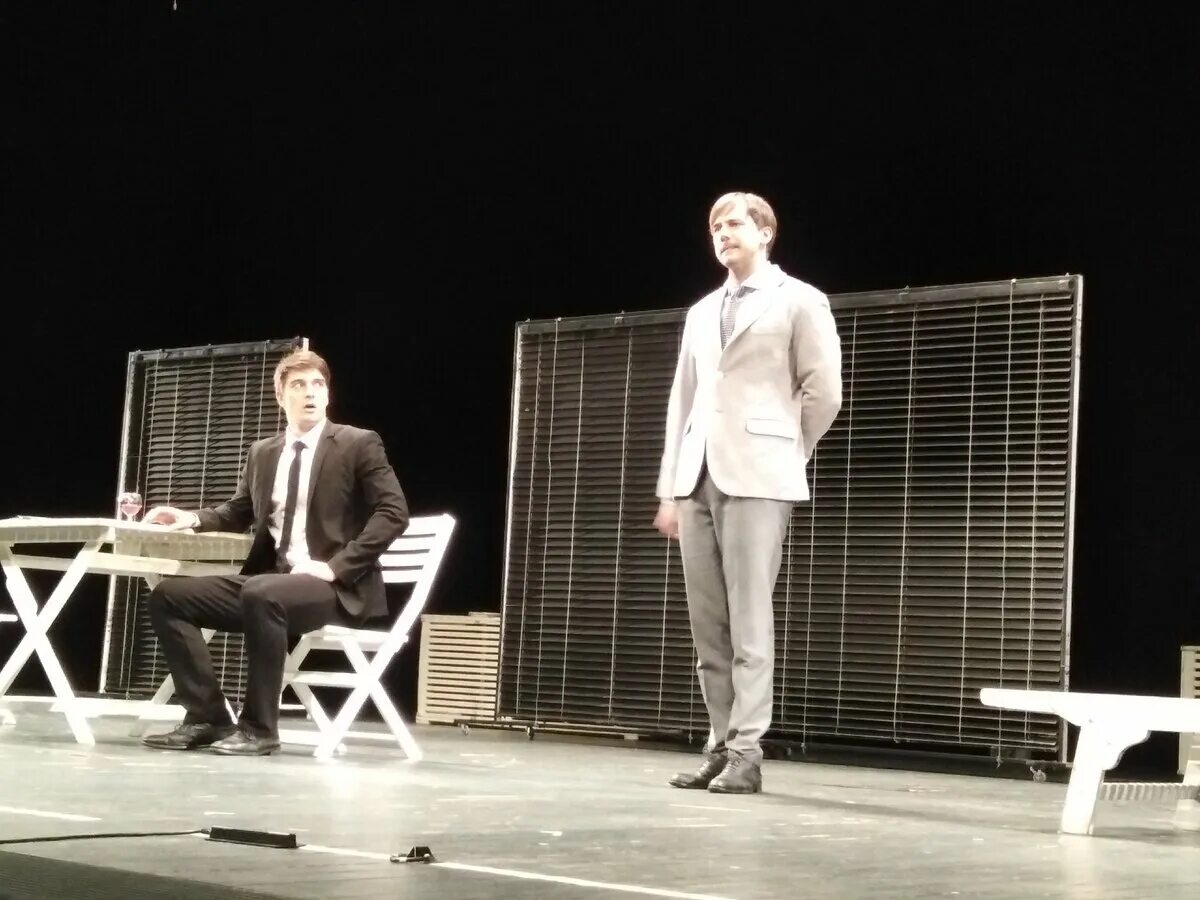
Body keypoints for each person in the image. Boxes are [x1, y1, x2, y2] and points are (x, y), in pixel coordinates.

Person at [654, 191, 842, 793]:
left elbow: (824, 391)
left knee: (750, 618)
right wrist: (669, 489)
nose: (722, 233)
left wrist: (786, 450)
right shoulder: (701, 311)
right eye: (715, 226)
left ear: (765, 233)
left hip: (759, 474)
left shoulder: (800, 299)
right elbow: (682, 401)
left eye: (734, 223)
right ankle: (719, 742)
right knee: (708, 623)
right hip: (697, 477)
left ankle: (747, 752)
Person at [140, 349, 409, 755]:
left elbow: (393, 513)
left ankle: (259, 728)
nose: (310, 393)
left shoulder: (357, 443)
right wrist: (192, 517)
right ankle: (208, 717)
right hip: (270, 584)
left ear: (328, 393)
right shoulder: (263, 452)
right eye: (298, 385)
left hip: (333, 588)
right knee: (168, 597)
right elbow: (239, 510)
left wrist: (336, 567)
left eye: (318, 384)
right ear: (280, 396)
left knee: (261, 591)